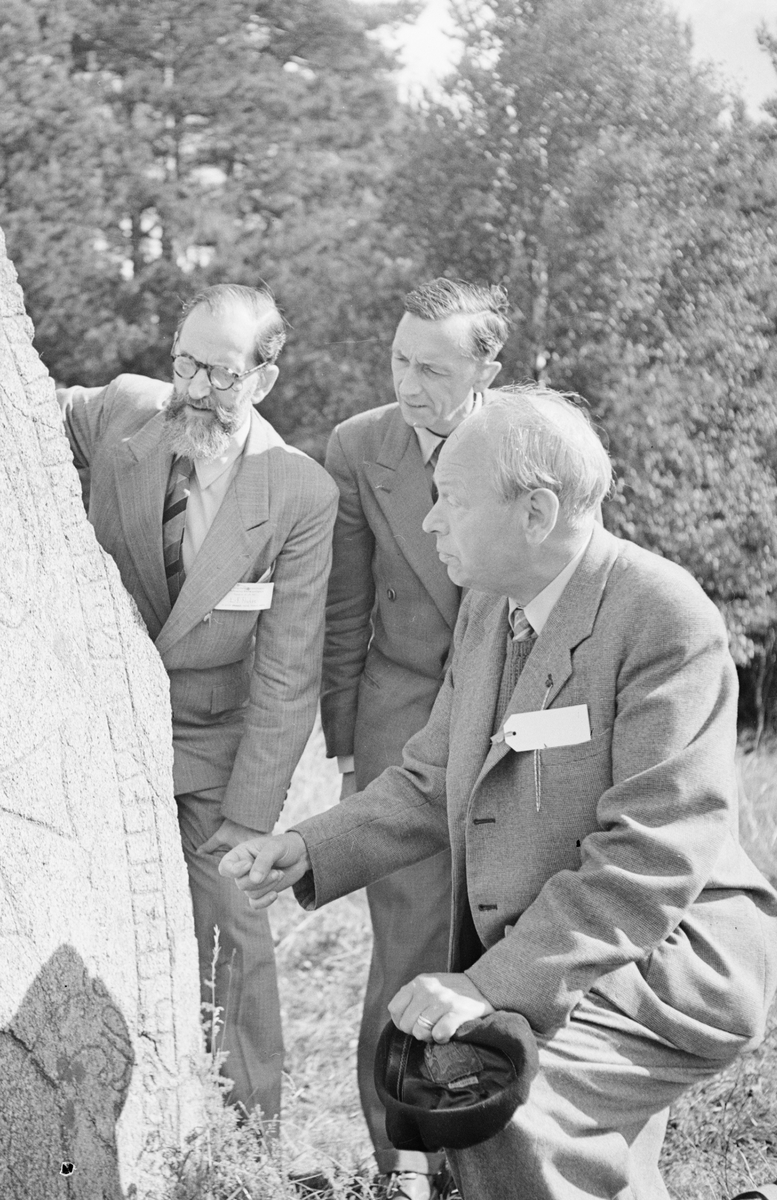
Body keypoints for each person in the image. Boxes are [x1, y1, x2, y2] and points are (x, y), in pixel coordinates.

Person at [222, 386, 777, 1199]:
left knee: (489, 1101)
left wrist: (486, 987)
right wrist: (308, 848)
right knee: (473, 1094)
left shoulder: (663, 616)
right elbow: (431, 779)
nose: (429, 522)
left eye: (452, 499)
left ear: (536, 512)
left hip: (668, 960)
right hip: (562, 951)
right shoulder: (489, 606)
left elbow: (652, 855)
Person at [57, 284, 338, 1129]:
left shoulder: (299, 493)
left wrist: (249, 822)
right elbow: (9, 404)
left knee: (233, 932)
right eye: (185, 363)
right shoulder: (123, 409)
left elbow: (288, 673)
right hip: (92, 727)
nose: (194, 390)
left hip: (211, 743)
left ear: (265, 378)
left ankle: (248, 1145)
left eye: (221, 374)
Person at [321, 278, 508, 1200]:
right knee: (409, 952)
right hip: (401, 733)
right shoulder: (359, 447)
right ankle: (403, 1162)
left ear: (487, 371)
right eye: (400, 360)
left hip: (513, 728)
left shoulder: (529, 442)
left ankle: (497, 1149)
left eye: (433, 369)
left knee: (502, 941)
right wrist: (351, 754)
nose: (408, 383)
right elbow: (344, 610)